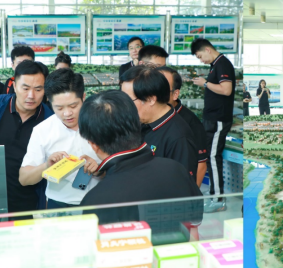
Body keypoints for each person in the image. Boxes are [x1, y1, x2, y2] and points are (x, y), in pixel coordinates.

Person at [77, 90, 203, 226]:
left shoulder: (96, 200)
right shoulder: (176, 169)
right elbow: (195, 223)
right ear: (136, 123)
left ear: (93, 144)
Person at [20, 69, 101, 209]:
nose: (67, 113)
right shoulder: (42, 130)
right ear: (50, 103)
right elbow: (24, 178)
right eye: (59, 108)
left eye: (73, 106)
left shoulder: (102, 122)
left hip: (100, 201)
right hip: (59, 205)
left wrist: (100, 170)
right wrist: (47, 166)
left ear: (83, 97)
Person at [0, 60, 52, 214]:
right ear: (14, 86)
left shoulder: (50, 120)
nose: (31, 95)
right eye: (25, 88)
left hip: (29, 202)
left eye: (38, 89)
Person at [120, 66, 197, 180]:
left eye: (128, 101)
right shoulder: (140, 122)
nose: (125, 106)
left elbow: (182, 185)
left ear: (151, 99)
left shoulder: (179, 138)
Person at [190, 38, 235, 213]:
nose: (201, 60)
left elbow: (226, 90)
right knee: (210, 157)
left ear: (207, 50)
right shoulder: (215, 65)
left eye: (200, 56)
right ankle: (214, 194)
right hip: (212, 118)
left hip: (218, 119)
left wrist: (205, 83)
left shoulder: (222, 64)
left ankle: (218, 199)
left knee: (213, 157)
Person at [157, 66, 208, 187]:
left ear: (175, 94)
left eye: (162, 89)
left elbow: (201, 164)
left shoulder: (190, 123)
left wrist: (191, 195)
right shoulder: (146, 117)